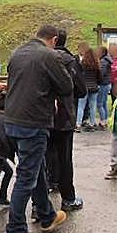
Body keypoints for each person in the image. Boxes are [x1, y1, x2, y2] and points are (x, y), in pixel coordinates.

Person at [2, 25, 73, 233]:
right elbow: (66, 86)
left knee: (36, 169)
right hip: (33, 123)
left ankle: (47, 215)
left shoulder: (17, 53)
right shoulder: (48, 55)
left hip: (11, 120)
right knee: (26, 177)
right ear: (53, 40)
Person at [48, 30, 86, 211]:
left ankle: (43, 197)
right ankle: (68, 197)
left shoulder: (42, 58)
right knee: (64, 158)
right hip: (63, 116)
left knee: (44, 155)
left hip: (43, 114)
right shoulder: (70, 60)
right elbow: (81, 89)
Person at [75, 42, 100, 132]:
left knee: (81, 106)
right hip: (94, 86)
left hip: (84, 86)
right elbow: (99, 76)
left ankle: (78, 123)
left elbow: (79, 75)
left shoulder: (83, 63)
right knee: (92, 106)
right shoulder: (96, 64)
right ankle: (92, 123)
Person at [95, 46, 112, 131]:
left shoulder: (103, 61)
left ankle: (103, 121)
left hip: (103, 84)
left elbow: (101, 73)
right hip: (107, 83)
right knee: (104, 103)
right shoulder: (107, 60)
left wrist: (97, 78)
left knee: (99, 104)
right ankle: (105, 120)